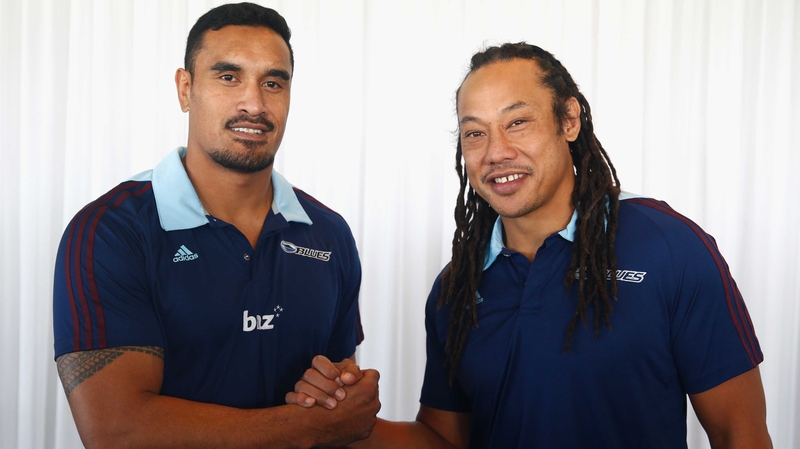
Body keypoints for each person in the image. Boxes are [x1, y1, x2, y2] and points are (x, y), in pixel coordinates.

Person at [286, 43, 772, 448]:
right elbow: (446, 440)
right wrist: (344, 422)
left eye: (517, 122)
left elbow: (739, 433)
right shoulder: (457, 287)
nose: (496, 151)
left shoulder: (668, 246)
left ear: (569, 121)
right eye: (475, 132)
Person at [52, 3, 379, 448]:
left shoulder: (327, 233)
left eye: (273, 83)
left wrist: (336, 392)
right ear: (185, 90)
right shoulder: (111, 231)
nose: (254, 104)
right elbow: (117, 431)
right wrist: (311, 426)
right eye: (229, 77)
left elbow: (339, 402)